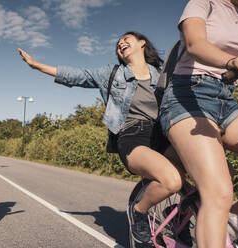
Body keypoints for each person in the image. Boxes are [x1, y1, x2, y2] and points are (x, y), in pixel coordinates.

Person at [18, 31, 187, 244]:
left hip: (162, 137)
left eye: (127, 38)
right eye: (118, 43)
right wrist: (37, 66)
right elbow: (77, 75)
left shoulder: (162, 76)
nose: (121, 43)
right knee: (171, 181)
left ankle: (181, 209)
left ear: (142, 43)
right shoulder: (113, 73)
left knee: (205, 172)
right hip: (133, 137)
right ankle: (138, 210)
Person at [158, 0, 238, 246]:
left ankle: (232, 218)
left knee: (222, 201)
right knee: (218, 193)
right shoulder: (205, 2)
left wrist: (232, 71)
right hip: (187, 93)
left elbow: (230, 75)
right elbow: (194, 43)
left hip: (227, 99)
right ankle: (218, 212)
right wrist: (232, 62)